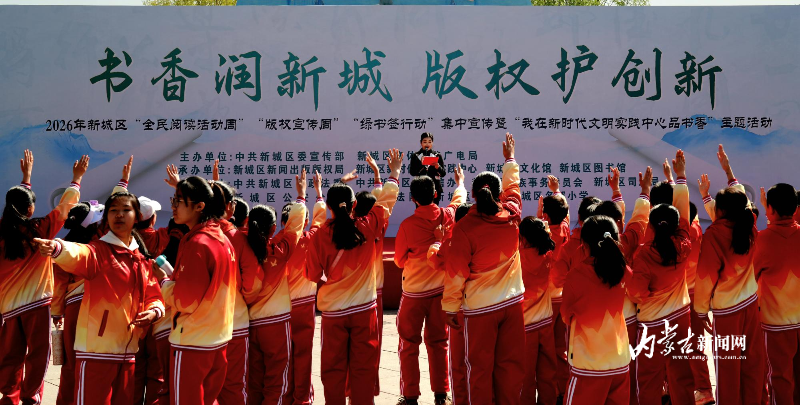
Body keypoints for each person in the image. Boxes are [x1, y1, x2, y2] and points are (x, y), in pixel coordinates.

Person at [35, 189, 166, 405]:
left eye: (126, 210)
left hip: (128, 352)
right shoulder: (98, 251)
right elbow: (79, 253)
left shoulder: (141, 259)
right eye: (113, 210)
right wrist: (57, 247)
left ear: (137, 217)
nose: (119, 215)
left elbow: (153, 294)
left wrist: (154, 311)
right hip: (96, 351)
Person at [307, 149, 401, 405]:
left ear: (328, 207)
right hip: (364, 310)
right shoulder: (368, 225)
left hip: (333, 313)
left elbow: (313, 274)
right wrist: (393, 173)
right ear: (354, 206)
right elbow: (386, 201)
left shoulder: (319, 235)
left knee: (333, 370)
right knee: (364, 368)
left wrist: (329, 282)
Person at [442, 133, 524, 405]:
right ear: (498, 194)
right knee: (510, 368)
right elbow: (514, 188)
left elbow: (456, 273)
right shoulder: (512, 214)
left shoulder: (464, 227)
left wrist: (450, 308)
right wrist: (509, 159)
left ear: (474, 196)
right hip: (512, 304)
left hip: (480, 310)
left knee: (478, 370)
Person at [0, 151, 87, 405]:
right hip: (37, 305)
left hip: (7, 307)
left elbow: (15, 208)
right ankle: (31, 398)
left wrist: (26, 179)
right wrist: (77, 179)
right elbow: (65, 207)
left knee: (10, 355)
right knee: (38, 355)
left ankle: (8, 398)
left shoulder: (2, 232)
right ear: (30, 209)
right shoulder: (40, 228)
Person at [158, 176, 238, 405]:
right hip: (218, 337)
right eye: (174, 199)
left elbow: (185, 301)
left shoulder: (198, 243)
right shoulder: (221, 238)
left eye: (179, 200)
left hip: (193, 341)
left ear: (199, 206)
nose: (174, 206)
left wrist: (163, 282)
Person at [695, 145, 765, 405]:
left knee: (728, 369)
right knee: (752, 364)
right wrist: (728, 172)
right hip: (751, 305)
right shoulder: (750, 224)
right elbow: (741, 202)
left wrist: (701, 312)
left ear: (721, 211)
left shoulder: (714, 235)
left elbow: (705, 278)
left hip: (727, 313)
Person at [393, 162, 466, 405]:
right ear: (435, 194)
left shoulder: (407, 226)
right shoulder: (448, 216)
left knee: (408, 345)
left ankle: (410, 396)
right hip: (440, 293)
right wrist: (460, 183)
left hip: (413, 294)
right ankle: (441, 395)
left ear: (412, 198)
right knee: (439, 343)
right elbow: (458, 200)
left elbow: (398, 260)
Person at [626, 150, 694, 405]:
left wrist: (625, 273)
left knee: (649, 380)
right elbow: (683, 212)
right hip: (680, 318)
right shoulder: (683, 244)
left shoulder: (644, 254)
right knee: (682, 375)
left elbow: (637, 293)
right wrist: (680, 177)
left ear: (651, 226)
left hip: (652, 324)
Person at [245, 171, 308, 405]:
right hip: (276, 323)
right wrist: (301, 196)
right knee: (277, 378)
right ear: (273, 229)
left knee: (254, 378)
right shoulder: (279, 248)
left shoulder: (241, 247)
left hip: (251, 323)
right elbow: (295, 226)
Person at [561, 215, 632, 404]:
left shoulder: (576, 275)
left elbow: (565, 315)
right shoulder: (624, 270)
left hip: (588, 366)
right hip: (620, 361)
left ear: (584, 245)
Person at [754, 183, 800, 404]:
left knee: (780, 378)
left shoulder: (762, 240)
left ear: (770, 208)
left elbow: (750, 280)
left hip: (776, 324)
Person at [427, 203, 471, 405]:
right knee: (481, 360)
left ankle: (460, 400)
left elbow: (434, 261)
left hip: (457, 310)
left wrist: (438, 241)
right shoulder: (485, 239)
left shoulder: (450, 243)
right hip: (481, 307)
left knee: (458, 361)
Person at [518, 216, 558, 404]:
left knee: (525, 376)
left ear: (524, 238)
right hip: (545, 322)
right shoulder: (548, 255)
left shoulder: (517, 258)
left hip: (525, 326)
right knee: (548, 373)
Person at [536, 177, 570, 398]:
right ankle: (563, 392)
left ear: (546, 216)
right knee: (560, 349)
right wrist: (556, 192)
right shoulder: (565, 229)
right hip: (562, 297)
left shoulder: (542, 235)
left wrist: (541, 215)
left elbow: (541, 228)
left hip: (546, 301)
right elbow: (564, 215)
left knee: (546, 351)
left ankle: (550, 394)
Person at [409, 133, 446, 205]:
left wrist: (438, 167)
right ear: (421, 143)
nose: (427, 144)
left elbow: (443, 173)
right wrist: (421, 165)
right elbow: (412, 172)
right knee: (420, 210)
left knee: (434, 209)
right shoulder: (415, 156)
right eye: (425, 142)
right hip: (420, 188)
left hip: (434, 188)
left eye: (429, 142)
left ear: (432, 143)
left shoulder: (437, 155)